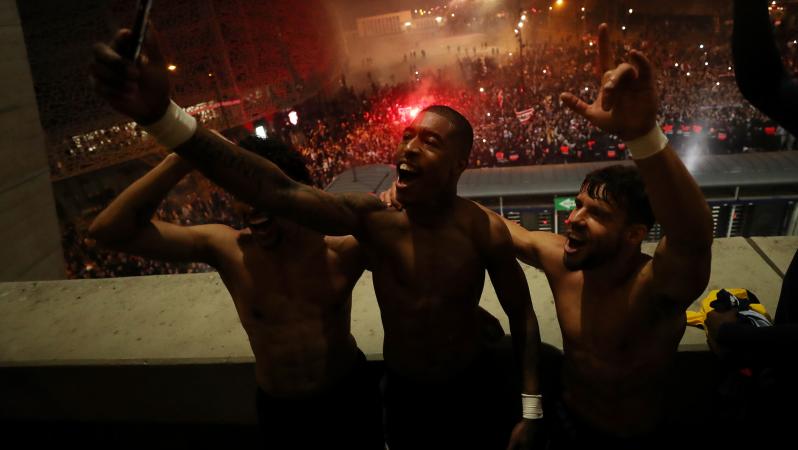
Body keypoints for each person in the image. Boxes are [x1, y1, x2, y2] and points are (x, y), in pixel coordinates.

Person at [91, 28, 544, 450]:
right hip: (400, 395)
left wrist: (530, 406)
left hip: (467, 386)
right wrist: (165, 120)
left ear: (459, 164)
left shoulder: (481, 231)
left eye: (429, 142)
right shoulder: (372, 223)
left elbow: (519, 313)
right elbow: (279, 191)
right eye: (406, 136)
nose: (408, 148)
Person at [383, 23, 714, 447]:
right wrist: (415, 191)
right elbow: (488, 224)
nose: (574, 218)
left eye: (596, 214)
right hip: (565, 422)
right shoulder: (561, 261)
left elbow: (692, 236)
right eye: (577, 204)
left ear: (634, 235)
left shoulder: (658, 287)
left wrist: (643, 137)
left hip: (636, 437)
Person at [88, 136, 384, 450]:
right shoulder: (228, 250)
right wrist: (185, 155)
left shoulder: (341, 250)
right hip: (282, 411)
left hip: (347, 396)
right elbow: (109, 231)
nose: (251, 206)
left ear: (295, 195)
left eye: (261, 195)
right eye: (239, 194)